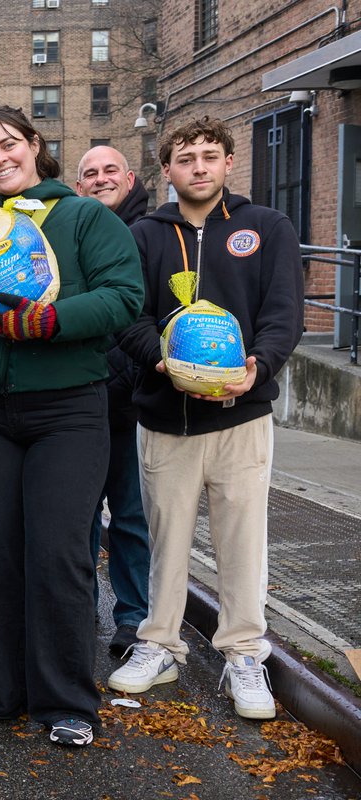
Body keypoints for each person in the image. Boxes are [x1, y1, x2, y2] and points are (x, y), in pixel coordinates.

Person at [0, 106, 144, 747]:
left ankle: (67, 701)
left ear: (36, 146)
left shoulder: (84, 217)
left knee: (58, 553)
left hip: (69, 411)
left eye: (8, 145)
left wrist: (50, 321)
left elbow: (124, 297)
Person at [108, 117, 303, 721]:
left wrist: (258, 367)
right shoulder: (144, 234)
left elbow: (283, 312)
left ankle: (244, 654)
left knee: (243, 539)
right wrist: (160, 359)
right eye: (185, 157)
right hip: (167, 417)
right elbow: (129, 315)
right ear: (165, 170)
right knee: (166, 539)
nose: (198, 166)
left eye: (209, 156)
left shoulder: (264, 227)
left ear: (227, 164)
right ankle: (159, 643)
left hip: (242, 415)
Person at [75, 145, 152, 657]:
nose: (100, 180)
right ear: (79, 186)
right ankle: (77, 614)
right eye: (90, 174)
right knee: (76, 520)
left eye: (109, 171)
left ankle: (133, 620)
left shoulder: (150, 234)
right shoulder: (72, 233)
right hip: (77, 407)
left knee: (128, 518)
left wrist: (126, 381)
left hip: (128, 407)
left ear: (129, 178)